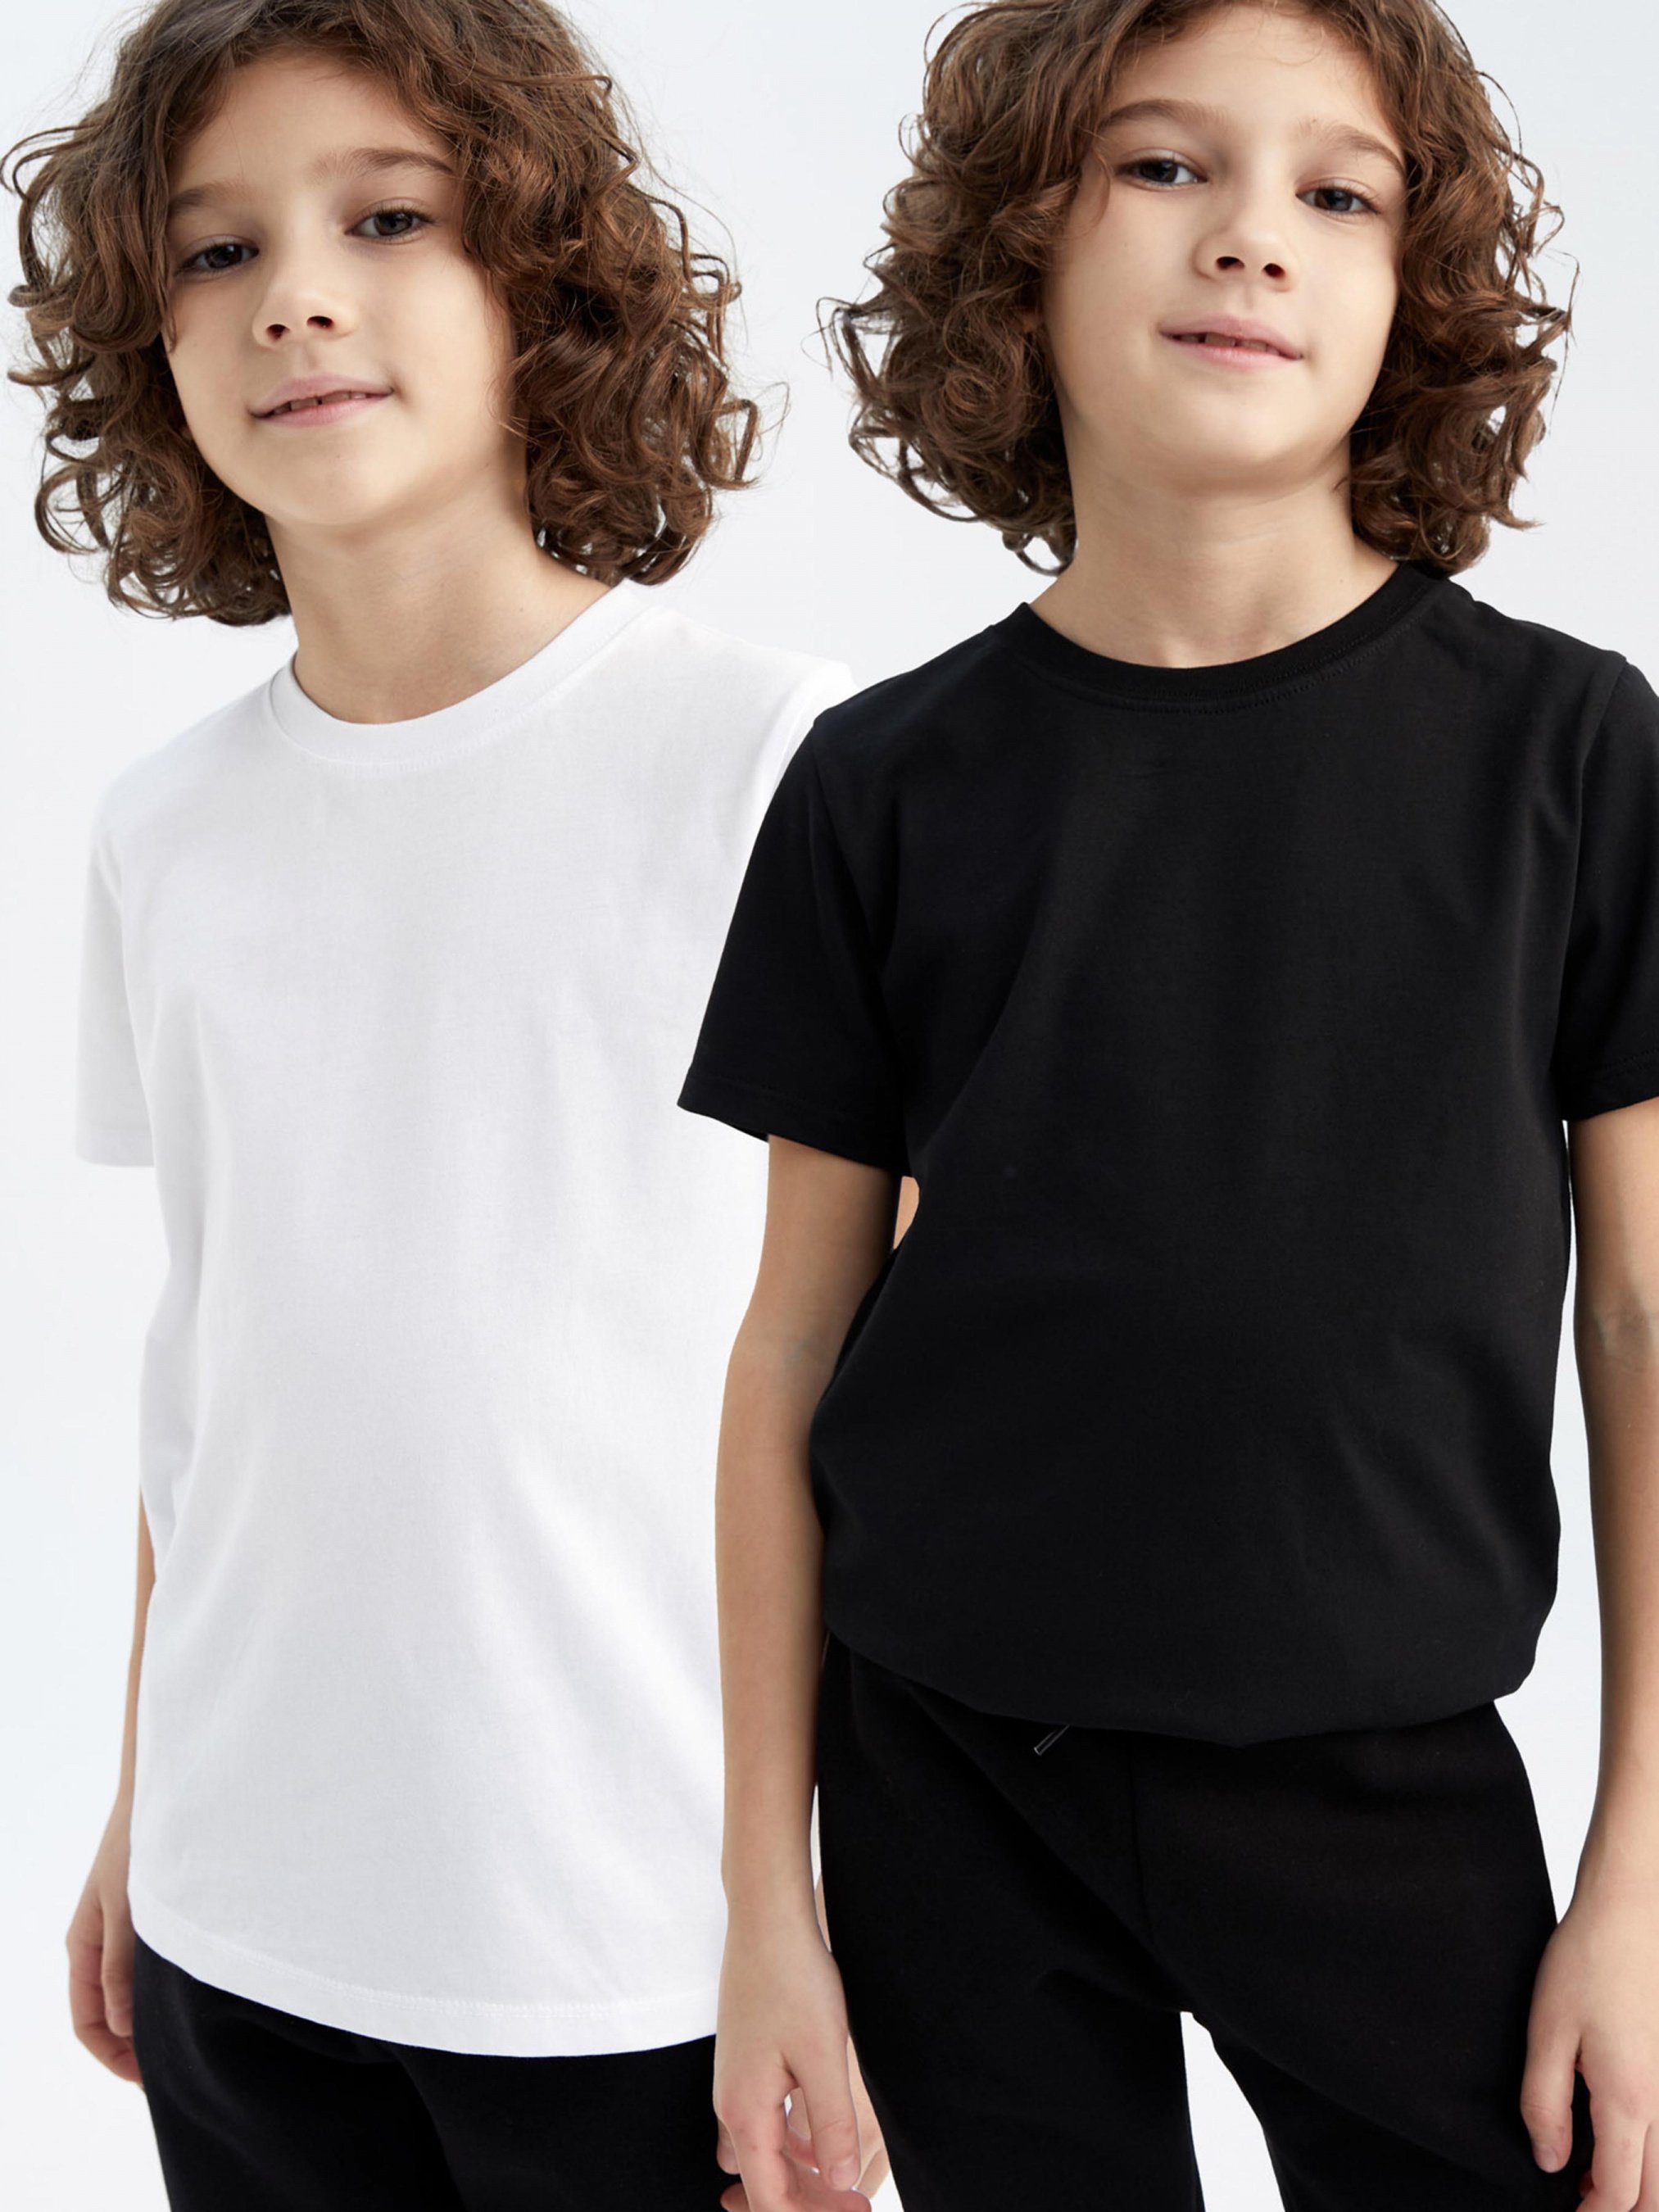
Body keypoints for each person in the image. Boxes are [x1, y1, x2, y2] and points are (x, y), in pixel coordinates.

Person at [676, 1, 1659, 2206]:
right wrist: (766, 1907)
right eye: (1161, 165)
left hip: (1385, 1787)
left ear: (1415, 290)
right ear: (1017, 244)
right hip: (943, 1777)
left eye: (1337, 191)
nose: (1250, 237)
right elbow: (790, 1350)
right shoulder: (882, 783)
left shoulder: (1572, 757)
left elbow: (1644, 1322)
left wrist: (1644, 1875)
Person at [6, 0, 888, 2202]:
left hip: (634, 1950)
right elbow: (219, 1364)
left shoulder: (778, 767)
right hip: (242, 1927)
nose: (293, 294)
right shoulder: (164, 829)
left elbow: (926, 1397)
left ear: (539, 280)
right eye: (215, 250)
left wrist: (818, 1918)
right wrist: (138, 1805)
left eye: (385, 219)